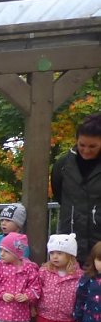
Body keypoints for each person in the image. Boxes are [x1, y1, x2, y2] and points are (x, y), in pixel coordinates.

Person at [52, 113, 101, 263]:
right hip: (70, 240)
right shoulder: (62, 165)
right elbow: (59, 195)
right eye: (82, 145)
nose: (86, 150)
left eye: (93, 146)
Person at [35, 234, 81, 322]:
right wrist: (33, 306)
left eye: (60, 253)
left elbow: (81, 295)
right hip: (46, 312)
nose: (55, 257)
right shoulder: (44, 271)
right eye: (52, 253)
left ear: (70, 255)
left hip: (66, 314)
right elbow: (37, 289)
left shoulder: (78, 275)